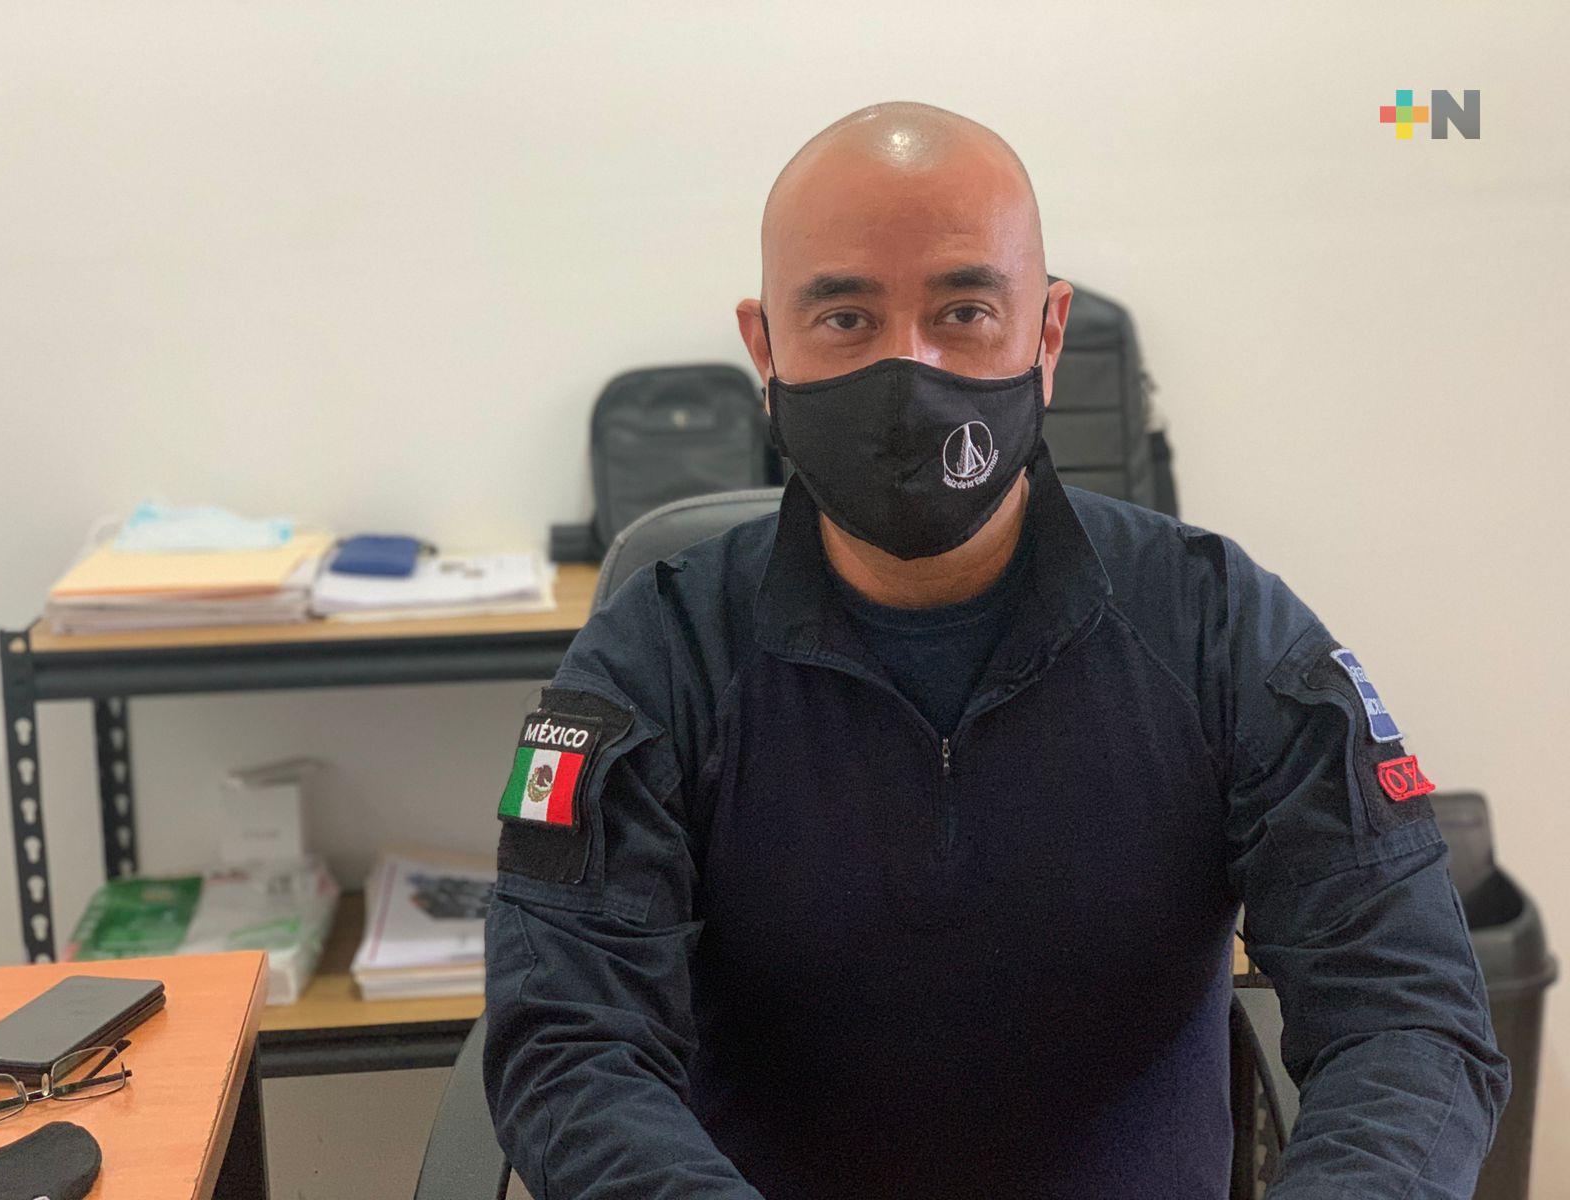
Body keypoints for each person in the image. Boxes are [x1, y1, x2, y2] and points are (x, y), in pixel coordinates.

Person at [481, 101, 1509, 1199]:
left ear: (1047, 334)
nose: (908, 369)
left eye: (965, 310)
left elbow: (1406, 1013)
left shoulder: (1216, 626)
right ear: (764, 347)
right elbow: (568, 1043)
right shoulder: (657, 654)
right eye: (845, 317)